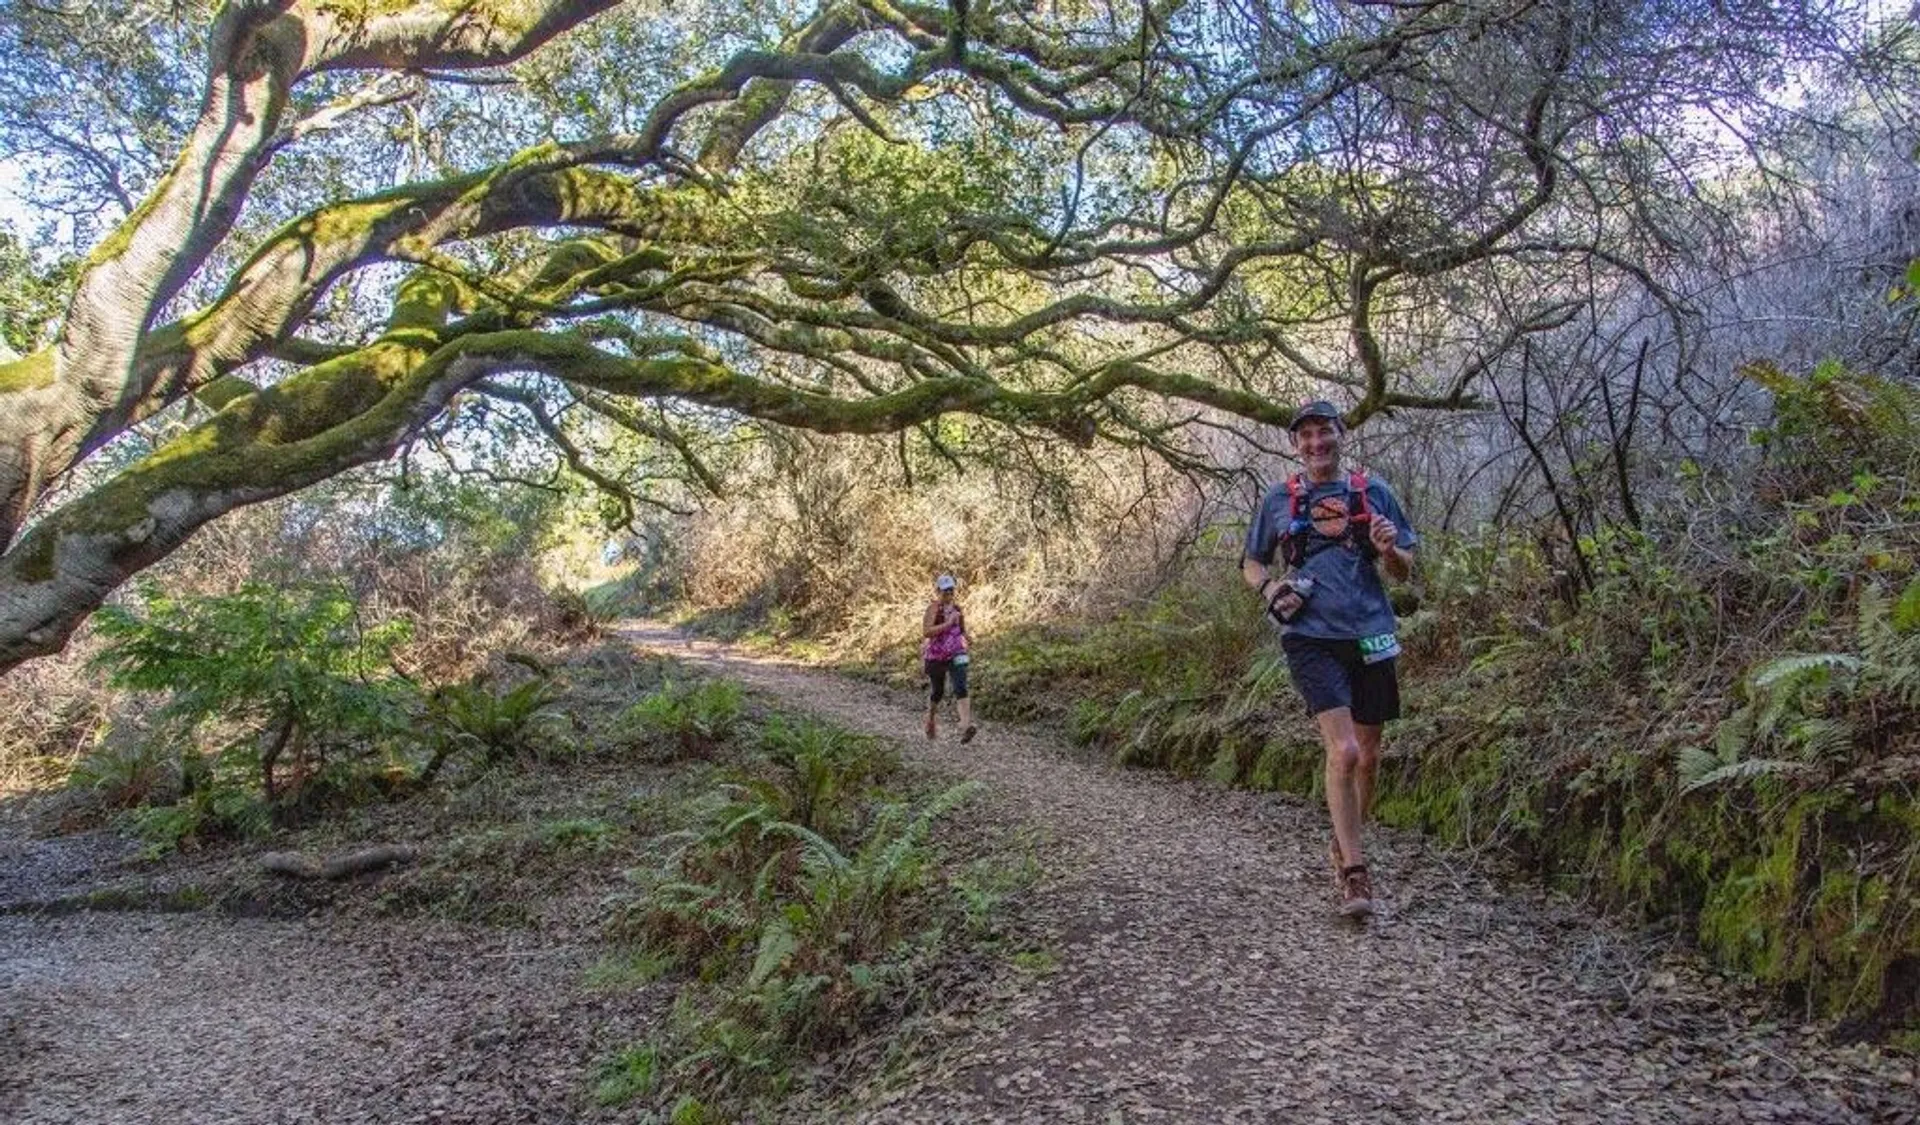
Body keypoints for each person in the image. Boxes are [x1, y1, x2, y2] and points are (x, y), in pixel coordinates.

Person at [1241, 400, 1417, 918]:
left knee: (1368, 754)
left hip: (1370, 634)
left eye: (1325, 433)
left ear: (1341, 435)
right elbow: (1251, 562)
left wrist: (1389, 551)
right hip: (1310, 637)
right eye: (1306, 436)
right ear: (1296, 445)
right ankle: (1355, 874)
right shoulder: (1279, 500)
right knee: (1341, 751)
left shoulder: (1374, 492)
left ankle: (1343, 843)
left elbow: (1405, 571)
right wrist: (1271, 587)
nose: (1316, 444)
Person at [921, 573, 977, 744]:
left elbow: (961, 628)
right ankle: (930, 719)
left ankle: (966, 726)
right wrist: (947, 623)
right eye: (945, 591)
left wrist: (968, 637)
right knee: (938, 691)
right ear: (938, 591)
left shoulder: (958, 609)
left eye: (951, 591)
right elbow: (926, 631)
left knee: (961, 686)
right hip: (936, 655)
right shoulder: (933, 609)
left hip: (957, 653)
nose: (949, 594)